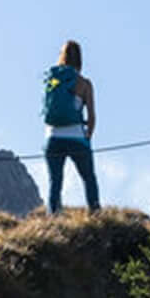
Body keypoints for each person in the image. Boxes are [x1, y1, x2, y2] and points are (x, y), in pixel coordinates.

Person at [41, 39, 99, 212]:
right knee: (88, 177)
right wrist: (87, 137)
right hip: (76, 137)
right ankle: (95, 212)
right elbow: (91, 117)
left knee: (55, 181)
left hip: (52, 136)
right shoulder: (84, 83)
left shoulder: (53, 80)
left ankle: (53, 216)